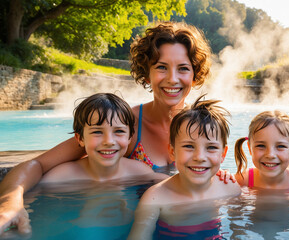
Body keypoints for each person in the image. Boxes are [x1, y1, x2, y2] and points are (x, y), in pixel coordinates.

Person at [0, 22, 233, 234]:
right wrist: (11, 203)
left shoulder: (201, 129)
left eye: (183, 68)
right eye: (161, 67)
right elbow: (37, 165)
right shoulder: (122, 125)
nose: (172, 78)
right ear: (147, 72)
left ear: (194, 74)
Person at [127, 96, 241, 240]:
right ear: (172, 151)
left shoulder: (230, 189)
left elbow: (238, 231)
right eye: (188, 146)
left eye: (211, 147)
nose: (199, 157)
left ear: (223, 154)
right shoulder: (155, 198)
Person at [40, 93, 167, 184]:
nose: (109, 141)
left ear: (130, 137)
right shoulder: (61, 176)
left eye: (118, 131)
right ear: (80, 138)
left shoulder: (138, 171)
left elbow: (169, 184)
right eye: (97, 132)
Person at [234, 110, 289, 191]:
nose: (270, 155)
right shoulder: (243, 180)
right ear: (250, 148)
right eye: (261, 146)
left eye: (280, 146)